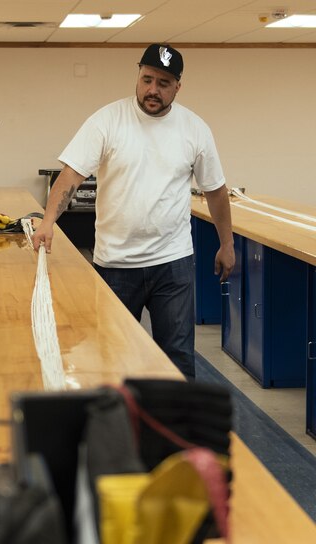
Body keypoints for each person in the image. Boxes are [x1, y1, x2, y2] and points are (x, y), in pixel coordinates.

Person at [32, 44, 235, 380]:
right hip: (115, 263)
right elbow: (71, 176)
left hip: (172, 261)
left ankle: (175, 415)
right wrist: (47, 222)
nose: (153, 90)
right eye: (147, 79)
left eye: (164, 83)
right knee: (112, 356)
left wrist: (226, 244)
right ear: (138, 75)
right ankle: (121, 415)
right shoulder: (107, 120)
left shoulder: (194, 129)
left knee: (177, 357)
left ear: (178, 87)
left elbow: (215, 190)